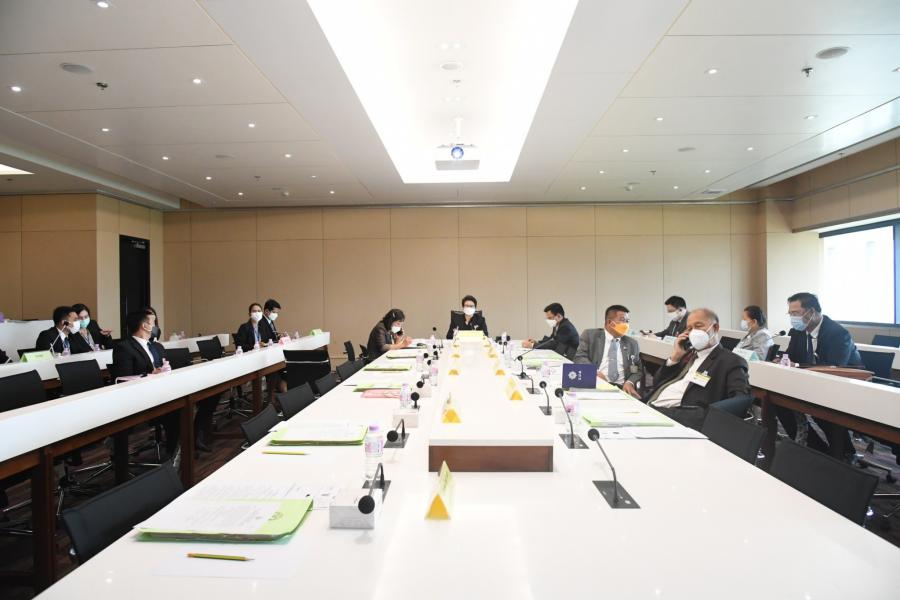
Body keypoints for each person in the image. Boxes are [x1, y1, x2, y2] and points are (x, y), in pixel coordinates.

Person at [782, 292, 862, 458]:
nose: (792, 318)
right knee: (781, 404)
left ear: (811, 312)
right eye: (790, 314)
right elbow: (790, 355)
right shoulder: (798, 332)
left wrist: (796, 365)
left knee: (822, 413)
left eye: (795, 313)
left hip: (846, 386)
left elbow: (834, 367)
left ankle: (844, 454)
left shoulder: (837, 333)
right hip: (813, 384)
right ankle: (817, 450)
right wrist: (781, 359)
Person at [645, 308, 750, 429]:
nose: (693, 332)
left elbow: (740, 401)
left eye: (698, 326)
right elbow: (657, 383)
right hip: (650, 407)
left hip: (675, 417)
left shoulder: (730, 361)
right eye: (689, 329)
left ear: (715, 328)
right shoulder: (687, 355)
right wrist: (675, 357)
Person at [112, 309, 180, 458]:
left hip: (161, 393)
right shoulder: (124, 348)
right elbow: (123, 379)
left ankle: (176, 450)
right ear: (144, 326)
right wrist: (150, 375)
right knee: (176, 411)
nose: (156, 326)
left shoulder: (157, 347)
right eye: (153, 322)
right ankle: (174, 455)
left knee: (181, 405)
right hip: (139, 398)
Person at [574, 305, 643, 398]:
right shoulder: (590, 335)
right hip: (596, 384)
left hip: (622, 389)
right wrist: (594, 372)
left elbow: (638, 369)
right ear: (610, 322)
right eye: (622, 320)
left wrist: (630, 382)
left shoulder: (632, 343)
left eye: (627, 321)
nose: (626, 324)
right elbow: (579, 357)